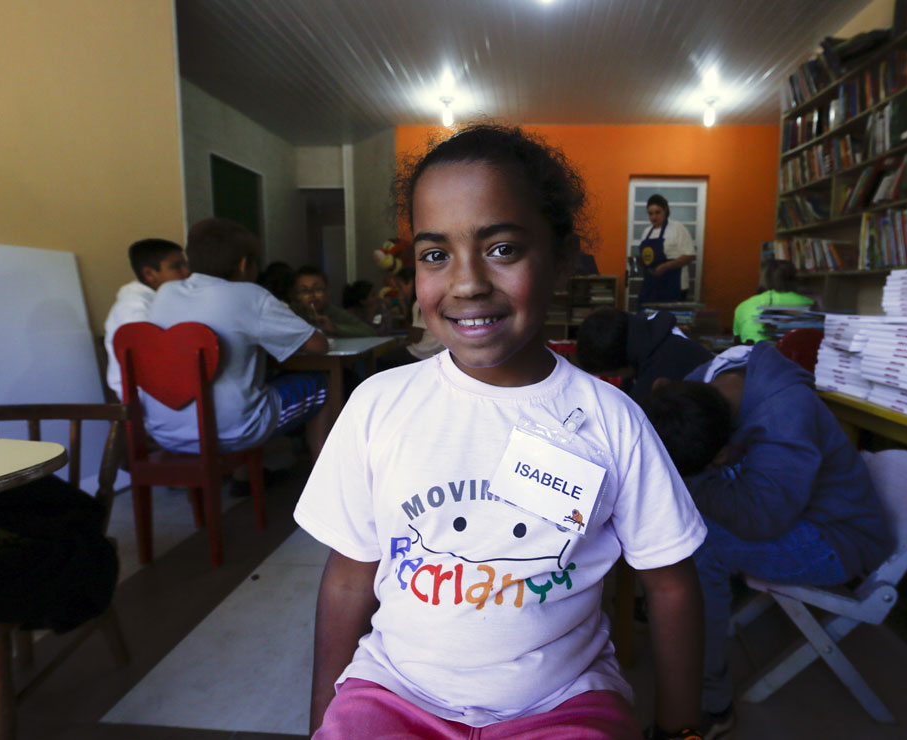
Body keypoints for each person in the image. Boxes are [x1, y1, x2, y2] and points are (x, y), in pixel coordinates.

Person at [294, 124, 709, 740]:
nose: (466, 283)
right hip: (394, 692)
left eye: (502, 248)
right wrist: (324, 720)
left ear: (561, 259)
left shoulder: (612, 418)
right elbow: (350, 575)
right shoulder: (378, 405)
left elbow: (670, 582)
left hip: (563, 702)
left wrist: (680, 731)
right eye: (436, 255)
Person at [642, 343, 894, 735]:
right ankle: (684, 631)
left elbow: (760, 518)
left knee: (695, 549)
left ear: (722, 455)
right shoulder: (698, 386)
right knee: (680, 530)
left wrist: (687, 484)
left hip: (837, 536)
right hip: (794, 514)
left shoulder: (784, 415)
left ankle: (709, 704)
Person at [145, 217, 332, 461]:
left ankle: (244, 474)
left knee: (247, 382)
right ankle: (323, 472)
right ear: (244, 264)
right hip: (231, 432)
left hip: (165, 432)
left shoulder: (166, 292)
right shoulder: (250, 296)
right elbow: (318, 346)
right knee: (322, 384)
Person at [102, 238, 189, 399]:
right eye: (176, 267)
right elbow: (149, 364)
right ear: (149, 274)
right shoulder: (134, 309)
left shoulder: (163, 298)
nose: (187, 272)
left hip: (164, 391)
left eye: (185, 264)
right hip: (143, 398)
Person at [576, 307, 712, 402]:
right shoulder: (646, 340)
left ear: (622, 366)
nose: (618, 378)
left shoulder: (658, 373)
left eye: (614, 375)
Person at [731, 259, 813, 343]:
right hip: (793, 350)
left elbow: (737, 341)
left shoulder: (744, 305)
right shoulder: (808, 302)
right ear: (794, 279)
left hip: (752, 349)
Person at [636, 194, 695, 305]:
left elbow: (690, 256)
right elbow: (649, 259)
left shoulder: (677, 228)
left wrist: (666, 266)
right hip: (651, 286)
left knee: (669, 315)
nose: (654, 217)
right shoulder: (646, 232)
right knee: (647, 314)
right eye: (650, 214)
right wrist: (637, 260)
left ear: (665, 211)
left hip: (674, 285)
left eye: (657, 212)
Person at [291, 265, 376, 338]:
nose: (312, 295)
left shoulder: (332, 311)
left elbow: (369, 331)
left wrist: (334, 328)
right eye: (305, 291)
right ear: (297, 295)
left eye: (317, 289)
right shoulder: (291, 314)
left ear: (327, 291)